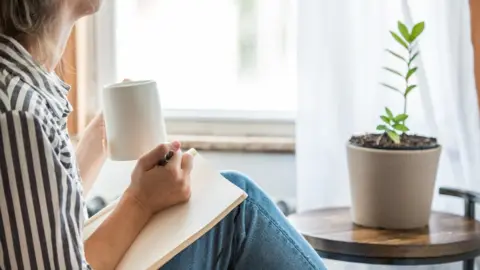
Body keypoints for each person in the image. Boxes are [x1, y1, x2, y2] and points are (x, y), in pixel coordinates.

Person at [0, 1, 327, 269]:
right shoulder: (19, 112)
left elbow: (41, 233)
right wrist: (139, 201)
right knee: (239, 208)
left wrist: (93, 145)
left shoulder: (21, 92)